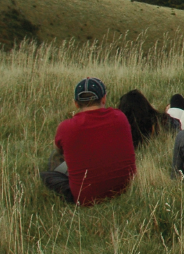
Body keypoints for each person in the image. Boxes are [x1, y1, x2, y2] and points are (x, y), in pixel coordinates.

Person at [39, 77, 136, 206]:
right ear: (104, 99)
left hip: (85, 198)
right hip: (125, 188)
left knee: (47, 171)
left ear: (76, 104)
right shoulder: (120, 117)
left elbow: (58, 149)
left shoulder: (66, 127)